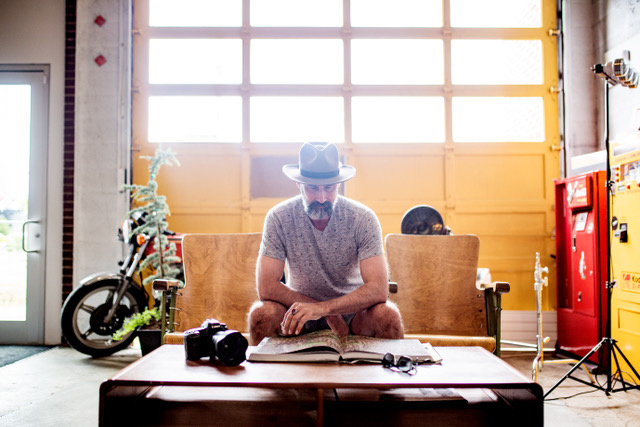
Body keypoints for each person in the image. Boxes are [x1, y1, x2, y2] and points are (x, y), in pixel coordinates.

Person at [248, 142, 404, 345]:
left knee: (388, 316)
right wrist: (321, 311)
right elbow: (267, 287)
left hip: (353, 314)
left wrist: (326, 309)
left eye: (329, 188)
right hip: (299, 312)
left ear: (338, 185)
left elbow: (379, 289)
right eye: (312, 188)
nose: (321, 198)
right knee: (261, 315)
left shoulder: (363, 218)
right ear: (299, 184)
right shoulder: (279, 217)